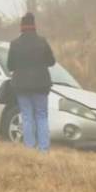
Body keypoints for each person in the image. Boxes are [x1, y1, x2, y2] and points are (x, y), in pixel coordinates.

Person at [7, 12, 56, 153]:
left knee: (27, 116)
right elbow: (51, 62)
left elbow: (10, 66)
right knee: (42, 116)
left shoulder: (15, 44)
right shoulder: (42, 42)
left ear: (22, 27)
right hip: (41, 85)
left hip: (21, 86)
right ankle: (44, 150)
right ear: (34, 26)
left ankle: (29, 148)